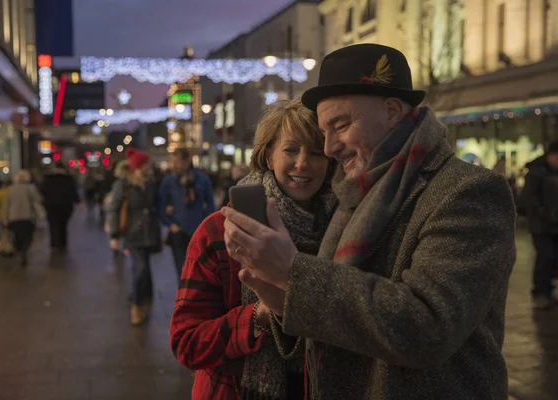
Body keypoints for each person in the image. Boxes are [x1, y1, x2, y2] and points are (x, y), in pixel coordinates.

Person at [221, 44, 516, 400]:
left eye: (340, 125)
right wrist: (284, 301)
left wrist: (293, 274)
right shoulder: (353, 194)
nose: (329, 148)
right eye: (323, 131)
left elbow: (429, 326)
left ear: (392, 111)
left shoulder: (469, 191)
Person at [171, 99, 336, 399]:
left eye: (316, 152)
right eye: (290, 150)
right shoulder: (219, 231)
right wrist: (260, 315)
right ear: (268, 156)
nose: (303, 163)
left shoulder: (343, 229)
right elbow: (187, 343)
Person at [107, 148, 162, 325]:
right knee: (141, 269)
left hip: (150, 232)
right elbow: (113, 209)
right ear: (137, 167)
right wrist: (114, 235)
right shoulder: (123, 185)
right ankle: (136, 308)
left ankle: (141, 298)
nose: (149, 167)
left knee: (144, 268)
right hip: (133, 233)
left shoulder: (152, 183)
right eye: (145, 164)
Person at [159, 148, 215, 278]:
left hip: (197, 230)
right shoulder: (169, 181)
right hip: (178, 230)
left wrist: (206, 222)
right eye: (173, 162)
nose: (175, 165)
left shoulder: (201, 179)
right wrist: (170, 223)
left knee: (199, 268)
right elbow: (161, 204)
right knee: (182, 270)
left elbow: (210, 203)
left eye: (177, 162)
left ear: (186, 161)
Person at [517, 141, 558, 309]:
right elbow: (529, 198)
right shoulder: (536, 173)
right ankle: (540, 292)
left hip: (554, 224)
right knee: (545, 257)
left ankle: (547, 290)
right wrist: (544, 214)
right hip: (541, 225)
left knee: (553, 258)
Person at [4, 170, 43, 266]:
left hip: (14, 217)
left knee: (17, 236)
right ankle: (24, 250)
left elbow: (6, 205)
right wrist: (40, 215)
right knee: (28, 236)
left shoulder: (10, 189)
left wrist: (5, 218)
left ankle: (20, 249)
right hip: (28, 216)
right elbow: (37, 201)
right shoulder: (31, 188)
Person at [40, 161, 79, 252]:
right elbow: (73, 191)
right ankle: (63, 243)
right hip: (66, 205)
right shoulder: (68, 179)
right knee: (63, 224)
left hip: (51, 205)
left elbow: (42, 191)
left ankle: (54, 243)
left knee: (53, 224)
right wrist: (77, 201)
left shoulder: (48, 179)